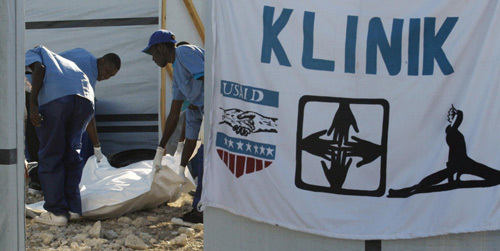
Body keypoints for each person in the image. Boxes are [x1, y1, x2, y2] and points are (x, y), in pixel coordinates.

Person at [26, 49, 121, 191]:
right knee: (40, 137)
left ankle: (44, 181)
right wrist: (97, 146)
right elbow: (89, 115)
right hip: (38, 91)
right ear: (101, 61)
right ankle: (42, 181)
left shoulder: (83, 55)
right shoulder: (89, 71)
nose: (105, 76)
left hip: (49, 95)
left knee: (41, 138)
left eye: (110, 76)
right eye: (106, 71)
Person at [26, 45, 95, 226]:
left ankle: (57, 213)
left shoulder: (33, 53)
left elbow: (38, 69)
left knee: (51, 153)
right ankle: (73, 209)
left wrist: (33, 104)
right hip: (85, 100)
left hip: (57, 100)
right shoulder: (63, 62)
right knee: (71, 155)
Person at [142, 30, 205, 223]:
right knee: (200, 159)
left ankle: (201, 211)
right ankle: (200, 209)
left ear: (161, 47)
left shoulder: (184, 52)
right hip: (204, 111)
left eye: (152, 53)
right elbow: (174, 115)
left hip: (221, 109)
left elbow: (209, 78)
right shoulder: (178, 76)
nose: (153, 59)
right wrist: (178, 165)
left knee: (206, 160)